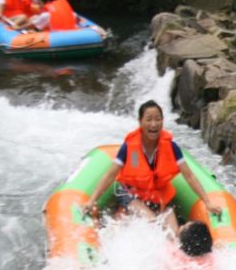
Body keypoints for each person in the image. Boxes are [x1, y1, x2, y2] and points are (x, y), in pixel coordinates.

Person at [82, 100, 222, 236]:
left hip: (158, 195)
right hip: (130, 193)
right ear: (140, 122)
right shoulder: (129, 147)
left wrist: (207, 202)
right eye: (148, 119)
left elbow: (189, 176)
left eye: (157, 119)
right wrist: (91, 200)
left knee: (173, 235)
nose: (153, 124)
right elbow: (110, 175)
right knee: (152, 223)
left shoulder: (171, 147)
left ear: (162, 121)